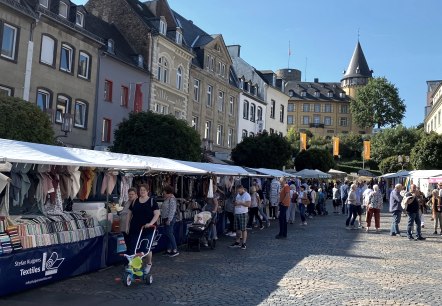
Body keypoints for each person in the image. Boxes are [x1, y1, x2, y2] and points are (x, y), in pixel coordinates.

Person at [127, 184, 160, 275]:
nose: (142, 192)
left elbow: (157, 214)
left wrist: (151, 223)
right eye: (140, 190)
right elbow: (130, 213)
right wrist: (127, 225)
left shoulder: (152, 201)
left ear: (147, 191)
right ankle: (136, 266)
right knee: (135, 248)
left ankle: (149, 263)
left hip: (148, 229)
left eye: (144, 190)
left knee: (146, 247)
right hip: (136, 227)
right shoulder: (135, 201)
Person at [229, 185, 251, 250]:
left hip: (243, 213)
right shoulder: (238, 195)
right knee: (237, 229)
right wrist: (235, 204)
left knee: (243, 229)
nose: (238, 192)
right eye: (237, 191)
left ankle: (244, 244)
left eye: (238, 190)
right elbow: (236, 203)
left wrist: (240, 203)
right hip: (237, 213)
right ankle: (237, 242)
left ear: (242, 189)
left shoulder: (247, 195)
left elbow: (248, 205)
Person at [161, 184, 179, 257]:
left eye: (164, 191)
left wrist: (169, 219)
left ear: (167, 192)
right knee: (168, 233)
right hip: (165, 218)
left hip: (169, 218)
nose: (163, 193)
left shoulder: (172, 199)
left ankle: (175, 249)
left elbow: (172, 210)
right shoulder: (167, 199)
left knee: (169, 233)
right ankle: (169, 249)